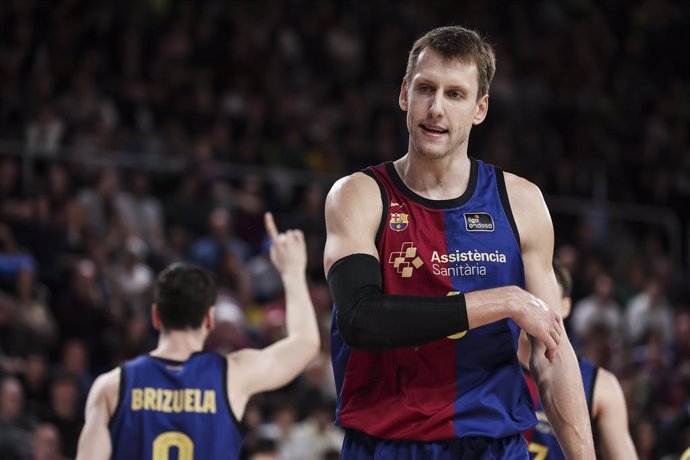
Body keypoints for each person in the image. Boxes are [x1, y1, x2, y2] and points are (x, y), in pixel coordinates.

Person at [324, 26, 595, 459]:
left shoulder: (521, 201)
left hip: (494, 446)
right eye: (426, 89)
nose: (436, 108)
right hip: (389, 445)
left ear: (480, 108)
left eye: (455, 94)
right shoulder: (359, 195)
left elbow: (552, 354)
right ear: (403, 95)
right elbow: (361, 319)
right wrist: (505, 300)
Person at [75, 213, 320, 460]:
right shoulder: (232, 376)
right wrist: (292, 273)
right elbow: (306, 343)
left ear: (156, 316)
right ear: (209, 319)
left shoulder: (112, 386)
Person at [520, 263, 638, 459]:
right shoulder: (489, 370)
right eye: (528, 300)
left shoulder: (602, 385)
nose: (534, 312)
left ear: (566, 306)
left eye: (543, 302)